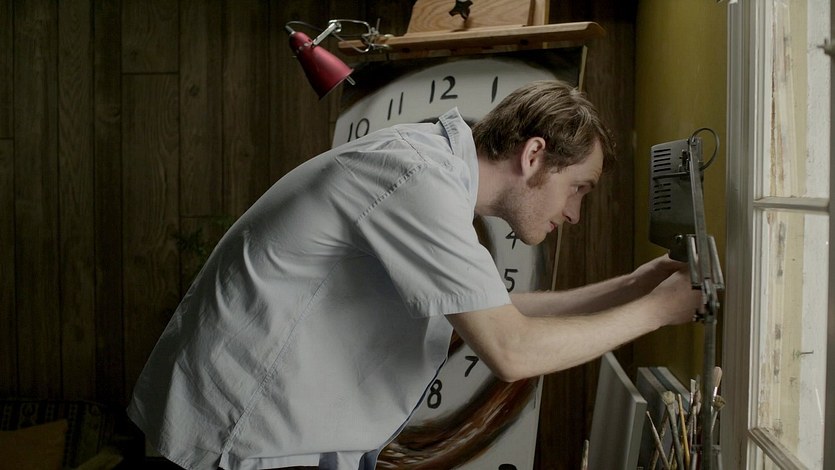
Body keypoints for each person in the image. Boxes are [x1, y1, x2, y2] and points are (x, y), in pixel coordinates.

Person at [127, 80, 702, 470]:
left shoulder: (433, 173)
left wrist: (635, 286)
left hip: (277, 439)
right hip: (242, 442)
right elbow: (512, 349)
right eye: (578, 188)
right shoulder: (416, 179)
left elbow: (500, 316)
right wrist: (660, 310)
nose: (574, 214)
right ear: (533, 156)